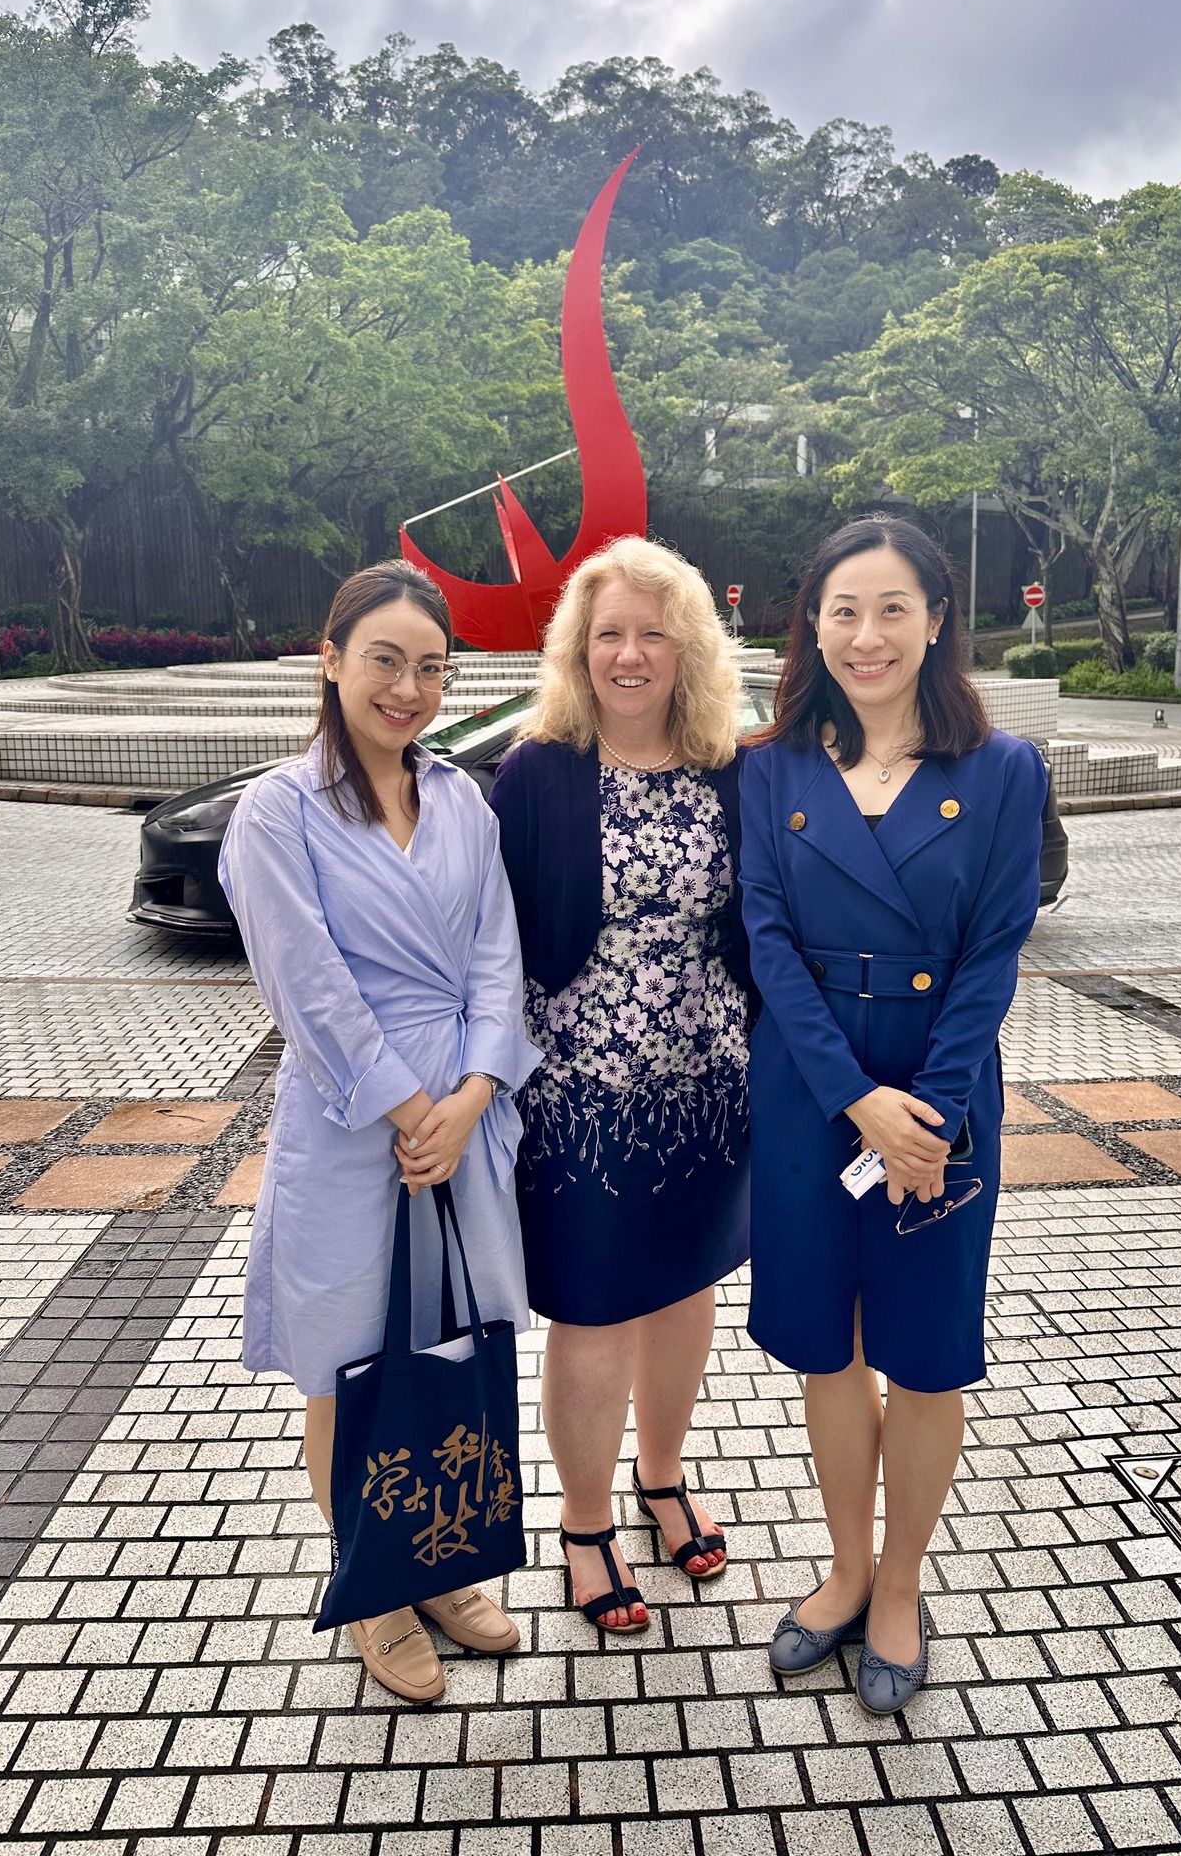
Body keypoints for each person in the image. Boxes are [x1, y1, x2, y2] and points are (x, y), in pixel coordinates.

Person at [219, 562, 541, 1704]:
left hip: (466, 1113)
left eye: (431, 666)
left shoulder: (460, 796)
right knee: (352, 1362)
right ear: (332, 657)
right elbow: (306, 985)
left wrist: (470, 1095)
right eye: (385, 660)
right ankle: (380, 1587)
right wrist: (413, 1107)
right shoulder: (277, 809)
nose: (408, 688)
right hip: (356, 1121)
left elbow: (499, 953)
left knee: (462, 1337)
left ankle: (447, 1561)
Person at [740, 515, 1045, 1715]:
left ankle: (904, 1582)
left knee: (921, 1354)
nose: (866, 636)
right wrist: (854, 1098)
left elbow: (995, 949)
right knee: (828, 1344)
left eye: (892, 609)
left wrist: (921, 1106)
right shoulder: (772, 767)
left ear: (936, 620)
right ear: (811, 623)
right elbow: (767, 937)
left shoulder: (1002, 769)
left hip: (940, 1099)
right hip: (815, 1092)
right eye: (842, 610)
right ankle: (846, 1566)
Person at [490, 537, 752, 1633]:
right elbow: (489, 939)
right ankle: (586, 1520)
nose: (631, 653)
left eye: (653, 631)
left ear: (686, 647)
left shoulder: (729, 762)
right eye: (609, 633)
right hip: (580, 1089)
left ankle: (663, 1472)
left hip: (706, 1079)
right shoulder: (538, 766)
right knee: (594, 1310)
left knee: (685, 1291)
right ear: (578, 648)